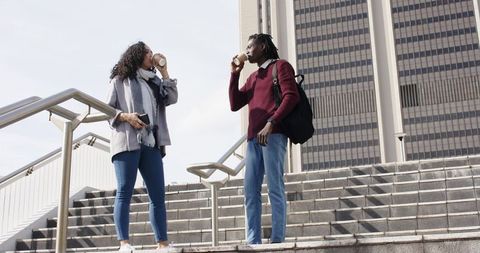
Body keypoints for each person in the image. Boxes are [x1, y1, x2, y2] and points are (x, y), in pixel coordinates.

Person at [106, 41, 178, 252]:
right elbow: (106, 110)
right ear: (137, 55)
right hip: (127, 142)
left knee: (157, 195)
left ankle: (162, 244)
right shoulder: (120, 80)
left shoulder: (154, 82)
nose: (151, 54)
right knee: (124, 191)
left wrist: (164, 72)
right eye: (147, 51)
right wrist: (127, 116)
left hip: (151, 143)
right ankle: (124, 244)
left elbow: (172, 98)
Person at [229, 34, 300, 244]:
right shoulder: (252, 78)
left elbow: (291, 96)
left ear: (262, 46)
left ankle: (277, 241)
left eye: (250, 46)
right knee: (250, 192)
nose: (247, 50)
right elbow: (234, 104)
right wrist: (235, 75)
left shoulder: (281, 66)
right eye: (247, 47)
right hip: (252, 141)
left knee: (275, 188)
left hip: (274, 135)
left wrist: (271, 122)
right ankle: (253, 241)